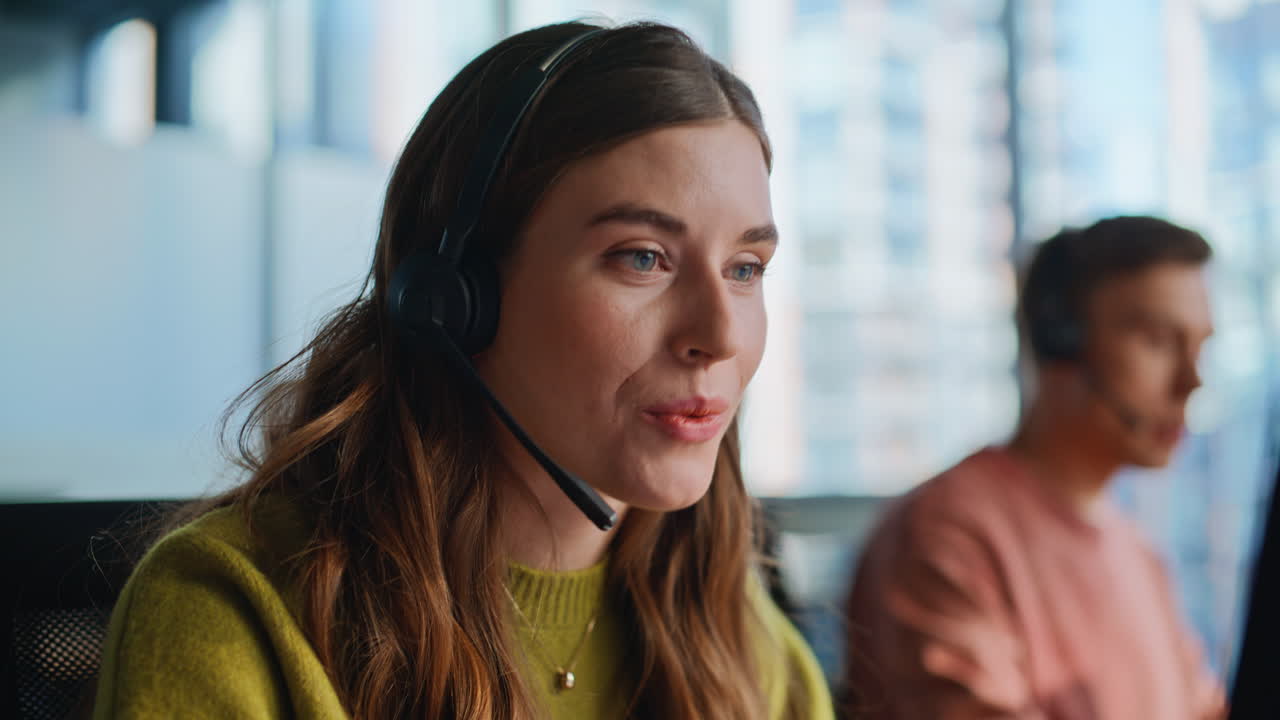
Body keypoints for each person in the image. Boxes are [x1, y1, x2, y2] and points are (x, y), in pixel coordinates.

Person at [91, 21, 834, 720]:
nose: (721, 334)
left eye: (746, 268)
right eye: (641, 257)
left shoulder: (728, 621)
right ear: (454, 300)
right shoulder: (233, 610)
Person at [841, 216, 1224, 719]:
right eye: (1156, 340)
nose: (1191, 381)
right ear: (1058, 338)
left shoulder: (1138, 553)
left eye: (1199, 347)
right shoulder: (946, 537)